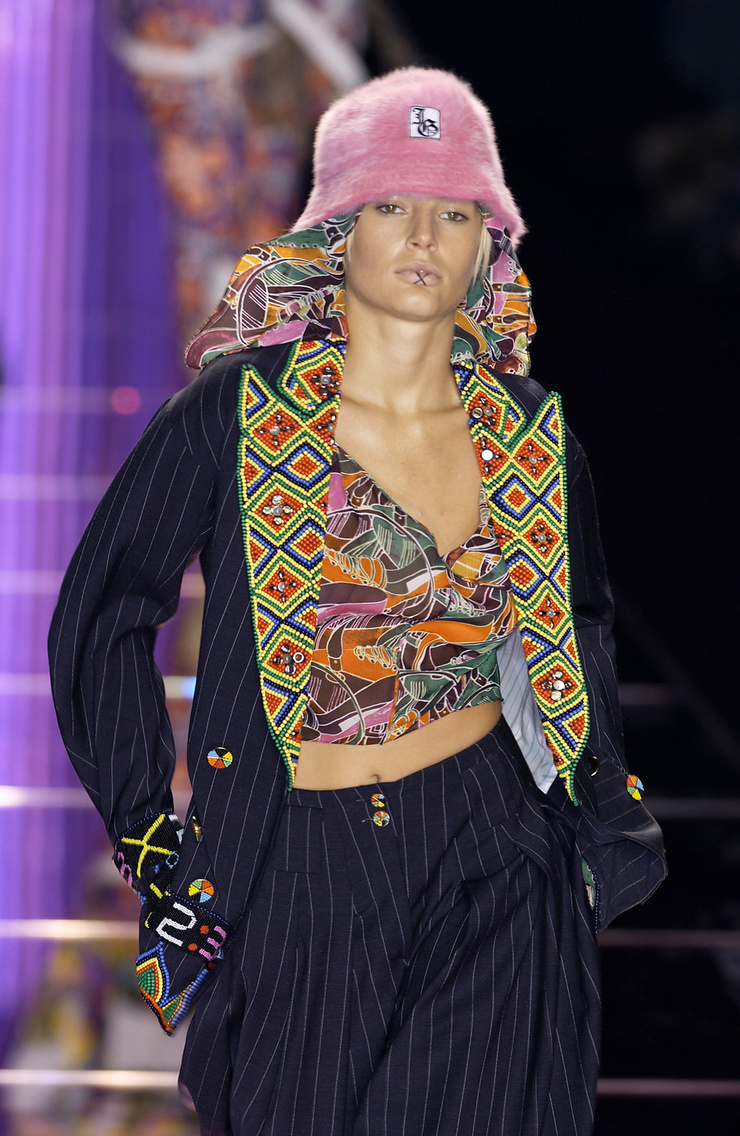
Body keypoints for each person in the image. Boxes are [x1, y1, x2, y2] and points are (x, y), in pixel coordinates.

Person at [49, 67, 666, 1136]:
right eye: (391, 205)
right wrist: (152, 842)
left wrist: (591, 818)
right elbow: (101, 618)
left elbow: (580, 623)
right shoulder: (236, 413)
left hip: (495, 851)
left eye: (454, 211)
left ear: (488, 244)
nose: (423, 236)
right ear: (336, 232)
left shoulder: (532, 431)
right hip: (296, 858)